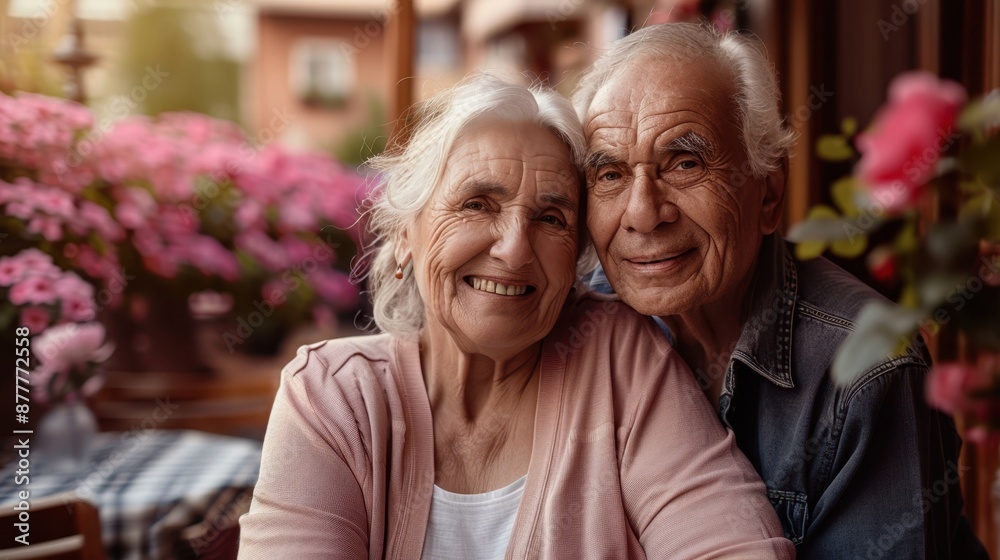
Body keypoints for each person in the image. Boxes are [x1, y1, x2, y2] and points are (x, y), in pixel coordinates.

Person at [238, 74, 794, 559]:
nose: (514, 248)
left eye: (551, 218)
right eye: (477, 204)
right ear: (407, 234)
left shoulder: (617, 358)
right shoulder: (334, 397)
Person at [573, 22, 988, 559]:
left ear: (768, 193)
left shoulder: (864, 371)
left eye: (685, 162)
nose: (643, 213)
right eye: (610, 174)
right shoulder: (577, 328)